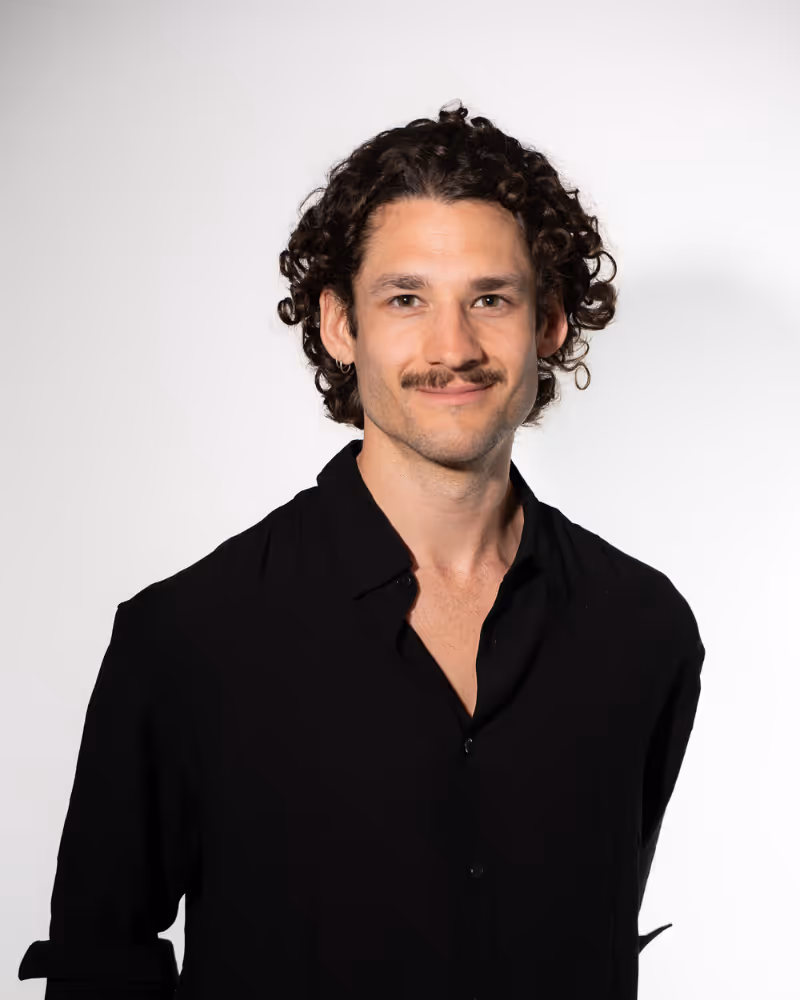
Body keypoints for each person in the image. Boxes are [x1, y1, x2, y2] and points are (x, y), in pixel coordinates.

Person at [19, 101, 704, 999]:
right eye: (406, 299)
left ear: (549, 324)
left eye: (491, 299)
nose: (453, 346)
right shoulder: (187, 638)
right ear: (341, 324)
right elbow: (98, 958)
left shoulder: (643, 629)